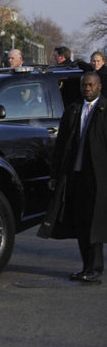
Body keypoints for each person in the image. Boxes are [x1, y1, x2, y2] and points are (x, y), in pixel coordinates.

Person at [39, 72, 107, 283]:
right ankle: (85, 266)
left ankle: (95, 268)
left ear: (99, 87)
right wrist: (55, 175)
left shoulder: (104, 110)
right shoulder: (73, 110)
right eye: (84, 85)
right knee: (80, 223)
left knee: (94, 225)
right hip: (74, 176)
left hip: (97, 177)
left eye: (91, 85)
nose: (87, 88)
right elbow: (61, 146)